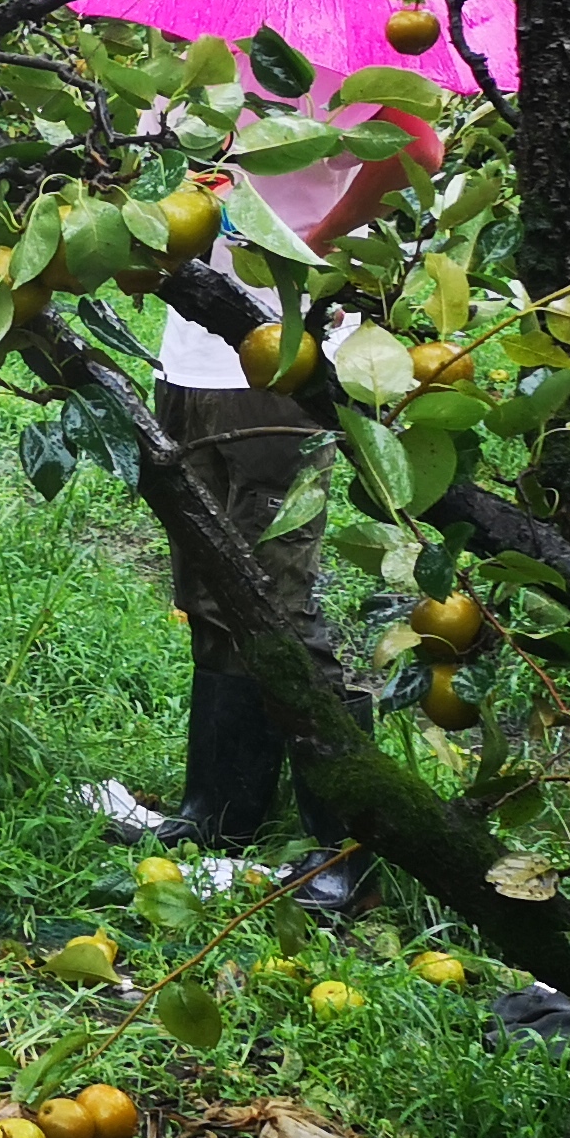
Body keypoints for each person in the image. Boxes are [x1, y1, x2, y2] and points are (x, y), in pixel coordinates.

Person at [145, 96, 443, 911]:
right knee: (208, 588)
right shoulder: (198, 42)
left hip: (289, 356)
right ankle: (222, 808)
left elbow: (419, 143)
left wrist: (317, 239)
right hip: (192, 357)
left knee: (273, 598)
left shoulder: (341, 38)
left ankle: (347, 839)